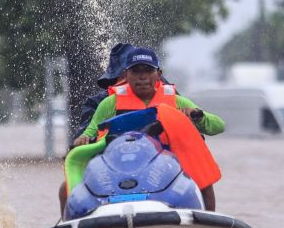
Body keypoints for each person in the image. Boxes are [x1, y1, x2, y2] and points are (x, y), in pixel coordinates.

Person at [73, 46, 224, 210]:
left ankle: (207, 224)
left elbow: (218, 126)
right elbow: (89, 133)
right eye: (136, 71)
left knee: (204, 182)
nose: (142, 77)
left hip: (165, 166)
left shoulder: (176, 101)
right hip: (120, 166)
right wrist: (82, 140)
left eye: (148, 70)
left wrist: (198, 116)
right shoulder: (109, 103)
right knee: (65, 190)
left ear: (159, 74)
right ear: (126, 75)